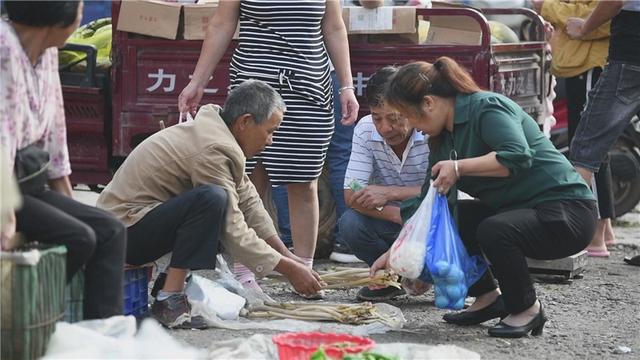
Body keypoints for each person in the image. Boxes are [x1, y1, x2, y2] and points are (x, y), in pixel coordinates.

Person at [371, 57, 597, 338]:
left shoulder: (487, 108)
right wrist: (396, 251)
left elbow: (517, 156)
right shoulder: (443, 138)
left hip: (566, 212)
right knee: (459, 217)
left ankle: (527, 309)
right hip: (525, 212)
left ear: (428, 103)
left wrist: (459, 167)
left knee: (495, 230)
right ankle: (488, 297)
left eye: (411, 116)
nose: (414, 127)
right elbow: (429, 200)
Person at [98, 80, 323, 328]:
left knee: (217, 205)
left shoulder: (219, 134)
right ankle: (169, 298)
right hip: (122, 232)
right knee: (212, 201)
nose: (270, 141)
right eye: (270, 131)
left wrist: (289, 257)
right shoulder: (214, 148)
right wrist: (288, 270)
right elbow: (233, 226)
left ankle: (171, 285)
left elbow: (249, 202)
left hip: (135, 226)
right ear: (245, 122)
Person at [178, 0, 359, 295]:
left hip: (308, 86)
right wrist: (197, 81)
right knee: (249, 182)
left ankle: (304, 270)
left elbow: (334, 26)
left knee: (303, 181)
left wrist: (347, 86)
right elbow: (222, 23)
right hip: (253, 86)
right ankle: (244, 273)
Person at [0, 0, 127, 320]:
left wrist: (69, 199)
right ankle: (25, 317)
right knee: (78, 237)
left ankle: (102, 333)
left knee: (109, 230)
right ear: (58, 16)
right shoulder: (4, 48)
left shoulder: (47, 53)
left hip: (27, 179)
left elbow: (54, 130)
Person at [533, 0, 617, 258]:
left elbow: (604, 16)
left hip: (593, 64)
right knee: (593, 148)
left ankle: (596, 235)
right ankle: (606, 229)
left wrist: (547, 7)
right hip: (585, 63)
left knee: (587, 149)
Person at [340, 66, 430, 301]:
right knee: (350, 224)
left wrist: (391, 193)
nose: (384, 129)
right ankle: (392, 279)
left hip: (434, 220)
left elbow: (450, 190)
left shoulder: (431, 129)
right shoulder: (365, 130)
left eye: (394, 118)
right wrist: (397, 216)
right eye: (377, 118)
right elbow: (352, 192)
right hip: (395, 217)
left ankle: (437, 276)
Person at [565, 0, 640, 255]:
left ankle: (569, 238)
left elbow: (615, 1)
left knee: (586, 148)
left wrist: (584, 27)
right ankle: (598, 234)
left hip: (630, 51)